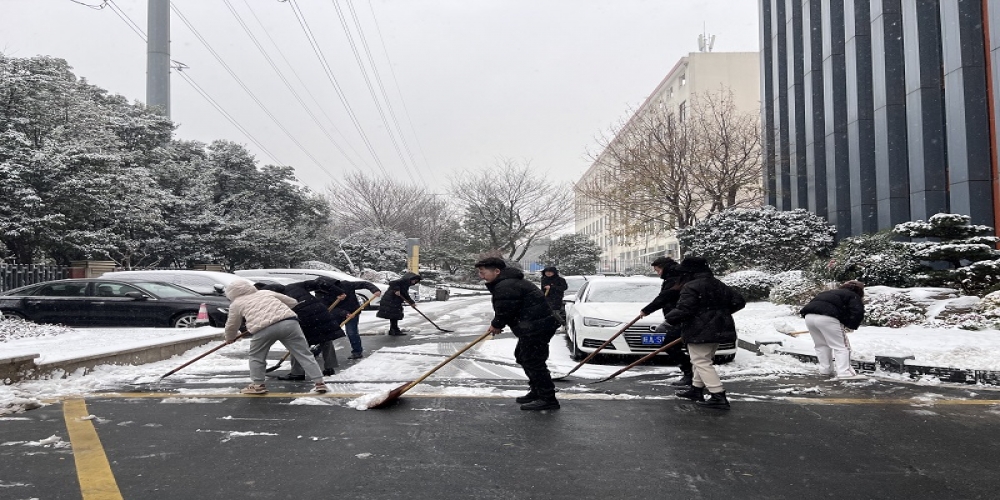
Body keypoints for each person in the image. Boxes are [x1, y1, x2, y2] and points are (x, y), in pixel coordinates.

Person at [476, 257, 561, 411]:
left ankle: (547, 398)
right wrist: (498, 323)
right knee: (523, 356)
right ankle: (537, 391)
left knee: (533, 360)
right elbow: (509, 307)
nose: (481, 276)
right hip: (535, 325)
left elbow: (506, 309)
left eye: (483, 272)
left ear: (497, 271)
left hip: (537, 327)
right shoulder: (508, 282)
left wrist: (497, 324)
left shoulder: (506, 285)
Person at [665, 256, 745, 410]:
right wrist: (720, 314)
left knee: (701, 361)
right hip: (718, 328)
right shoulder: (718, 284)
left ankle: (718, 395)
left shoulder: (691, 286)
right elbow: (739, 301)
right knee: (702, 359)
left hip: (699, 329)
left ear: (689, 272)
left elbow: (685, 309)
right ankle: (696, 389)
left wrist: (670, 319)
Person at [223, 280, 330, 395]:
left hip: (263, 329)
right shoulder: (265, 292)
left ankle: (258, 385)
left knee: (256, 356)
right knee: (303, 353)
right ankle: (319, 383)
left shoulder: (236, 304)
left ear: (231, 293)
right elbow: (292, 302)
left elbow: (232, 325)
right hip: (289, 323)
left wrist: (230, 338)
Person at [255, 280, 346, 381]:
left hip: (302, 318)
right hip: (319, 312)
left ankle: (297, 373)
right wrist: (338, 292)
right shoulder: (295, 286)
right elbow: (319, 283)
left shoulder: (270, 298)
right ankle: (329, 368)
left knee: (296, 344)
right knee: (326, 338)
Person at [638, 256, 692, 387]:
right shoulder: (676, 276)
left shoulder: (675, 278)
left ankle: (690, 373)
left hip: (680, 318)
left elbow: (664, 297)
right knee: (684, 347)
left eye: (658, 270)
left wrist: (646, 310)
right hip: (679, 317)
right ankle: (693, 373)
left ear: (664, 268)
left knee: (670, 344)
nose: (658, 274)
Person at [799, 280, 867, 381]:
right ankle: (845, 373)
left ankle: (825, 370)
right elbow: (857, 311)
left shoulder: (829, 292)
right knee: (842, 347)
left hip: (809, 317)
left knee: (821, 345)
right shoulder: (853, 295)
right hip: (828, 318)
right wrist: (851, 326)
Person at [314, 276, 382, 359]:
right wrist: (343, 313)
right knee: (329, 332)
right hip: (336, 313)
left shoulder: (346, 285)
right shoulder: (320, 294)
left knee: (351, 332)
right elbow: (328, 307)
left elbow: (364, 284)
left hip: (353, 312)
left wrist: (375, 290)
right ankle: (317, 350)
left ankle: (357, 352)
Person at [376, 272, 423, 336]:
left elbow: (405, 294)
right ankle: (394, 330)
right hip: (391, 300)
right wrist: (396, 290)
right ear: (410, 278)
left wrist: (412, 302)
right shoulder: (403, 281)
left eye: (416, 281)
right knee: (394, 315)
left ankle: (393, 330)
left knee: (394, 315)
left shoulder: (406, 284)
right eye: (414, 280)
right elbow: (392, 282)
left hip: (394, 300)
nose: (414, 282)